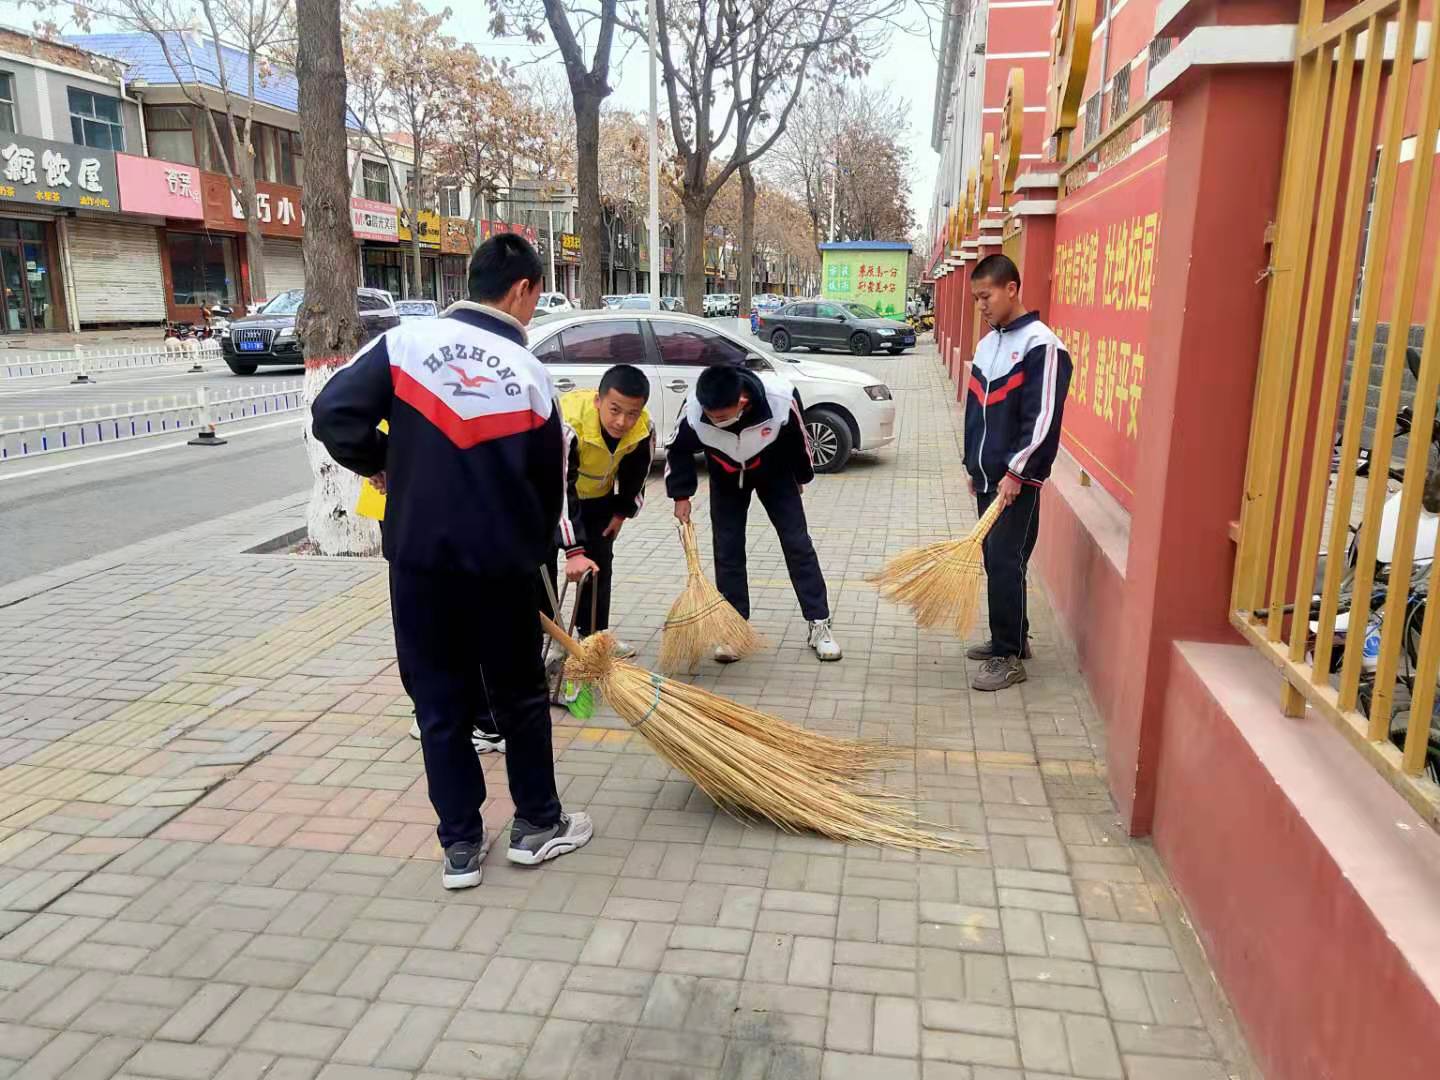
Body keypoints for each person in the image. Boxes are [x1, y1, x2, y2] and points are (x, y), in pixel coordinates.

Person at [310, 233, 592, 890]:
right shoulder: (528, 374)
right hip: (500, 570)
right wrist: (540, 556)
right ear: (521, 289)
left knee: (438, 705)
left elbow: (332, 413)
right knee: (520, 699)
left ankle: (461, 846)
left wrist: (384, 464)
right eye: (535, 296)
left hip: (418, 566)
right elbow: (548, 489)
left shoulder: (404, 344)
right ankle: (536, 825)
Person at [665, 363, 841, 662]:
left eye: (721, 417)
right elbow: (677, 449)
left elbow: (798, 438)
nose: (714, 421)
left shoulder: (779, 399)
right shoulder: (694, 409)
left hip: (776, 473)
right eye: (710, 416)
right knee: (727, 549)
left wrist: (800, 476)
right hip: (726, 477)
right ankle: (735, 629)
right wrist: (681, 495)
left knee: (797, 544)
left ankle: (819, 624)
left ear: (742, 401)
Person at [963, 253, 1072, 692]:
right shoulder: (987, 345)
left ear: (1011, 289)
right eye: (976, 298)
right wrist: (971, 464)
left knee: (1007, 560)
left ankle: (1007, 657)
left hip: (1016, 482)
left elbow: (1042, 418)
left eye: (986, 296)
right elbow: (975, 411)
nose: (981, 306)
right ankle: (1012, 638)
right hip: (988, 477)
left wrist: (1017, 472)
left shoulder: (1042, 346)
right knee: (997, 560)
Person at [547, 363, 655, 656]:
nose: (622, 422)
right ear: (598, 401)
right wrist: (573, 549)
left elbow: (637, 473)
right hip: (549, 497)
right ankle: (553, 638)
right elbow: (559, 486)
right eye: (614, 410)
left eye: (632, 413)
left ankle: (593, 636)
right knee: (542, 565)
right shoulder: (569, 424)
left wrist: (621, 513)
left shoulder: (643, 428)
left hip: (597, 499)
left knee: (599, 564)